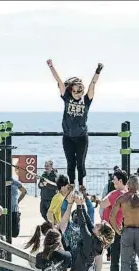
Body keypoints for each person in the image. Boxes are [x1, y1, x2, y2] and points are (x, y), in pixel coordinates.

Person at [46, 58, 104, 190]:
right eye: (75, 91)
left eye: (80, 91)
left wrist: (98, 71)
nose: (78, 94)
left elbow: (92, 84)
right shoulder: (67, 98)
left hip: (81, 137)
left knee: (80, 163)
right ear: (71, 91)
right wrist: (51, 66)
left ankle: (82, 185)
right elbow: (59, 81)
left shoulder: (86, 100)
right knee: (70, 162)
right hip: (68, 137)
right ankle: (71, 184)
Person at [101, 170, 139, 271]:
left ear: (120, 181)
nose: (113, 181)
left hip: (114, 227)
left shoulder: (115, 194)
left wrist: (107, 195)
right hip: (125, 226)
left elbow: (103, 204)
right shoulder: (128, 193)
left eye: (115, 179)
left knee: (115, 254)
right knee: (130, 254)